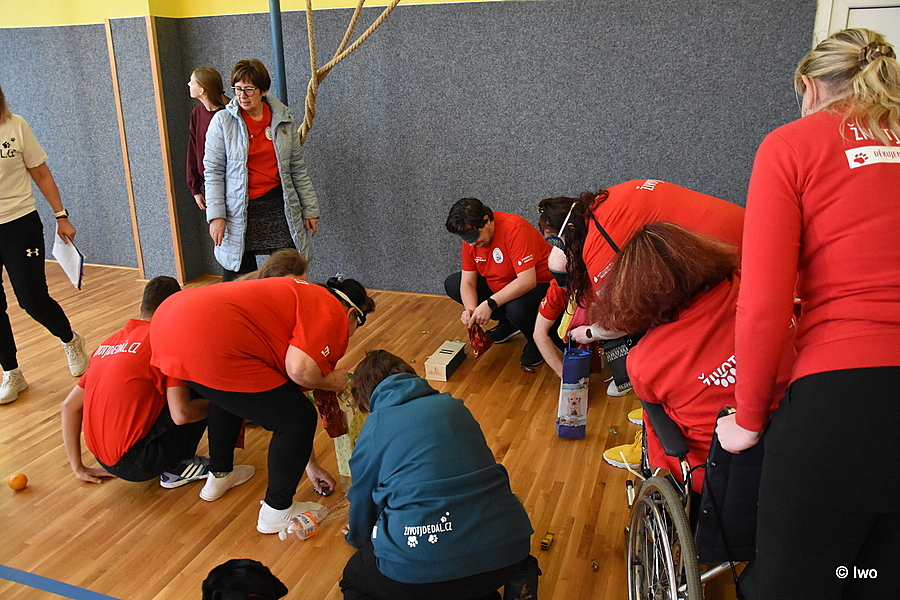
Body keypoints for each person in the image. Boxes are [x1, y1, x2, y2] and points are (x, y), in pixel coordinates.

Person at [716, 28, 900, 599]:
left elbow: (763, 303)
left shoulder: (792, 144)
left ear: (808, 85)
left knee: (793, 585)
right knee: (876, 581)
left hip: (844, 400)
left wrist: (748, 420)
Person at [149, 275, 375, 534]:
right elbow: (300, 370)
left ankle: (220, 474)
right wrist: (330, 381)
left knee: (231, 392)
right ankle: (277, 510)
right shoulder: (330, 309)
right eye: (359, 323)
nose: (354, 331)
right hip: (204, 338)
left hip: (168, 324)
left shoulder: (300, 298)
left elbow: (286, 389)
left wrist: (309, 464)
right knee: (298, 418)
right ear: (351, 313)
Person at [590, 224, 791, 489]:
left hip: (721, 477)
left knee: (657, 410)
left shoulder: (644, 361)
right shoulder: (751, 287)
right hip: (800, 445)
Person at [340, 350, 534, 600]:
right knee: (467, 579)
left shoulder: (376, 425)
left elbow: (363, 498)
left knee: (353, 579)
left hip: (420, 567)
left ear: (367, 399)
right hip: (509, 551)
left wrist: (358, 537)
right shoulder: (455, 406)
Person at [533, 182, 745, 393]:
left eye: (557, 243)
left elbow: (622, 320)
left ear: (571, 230)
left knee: (648, 360)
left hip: (727, 258)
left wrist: (589, 333)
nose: (559, 249)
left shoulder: (598, 248)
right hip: (738, 230)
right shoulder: (610, 196)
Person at [59, 277, 236, 489]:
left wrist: (78, 467)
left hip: (102, 457)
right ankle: (178, 468)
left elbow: (68, 406)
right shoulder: (165, 342)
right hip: (140, 463)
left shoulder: (108, 344)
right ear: (175, 310)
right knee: (207, 387)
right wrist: (226, 405)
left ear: (140, 308)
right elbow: (182, 414)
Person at [0, 84, 87, 405]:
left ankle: (70, 339)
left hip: (19, 222)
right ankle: (11, 371)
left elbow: (41, 173)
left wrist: (61, 216)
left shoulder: (15, 126)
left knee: (31, 299)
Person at [204, 59, 320, 281]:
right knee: (238, 283)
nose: (242, 96)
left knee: (288, 275)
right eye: (238, 89)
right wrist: (216, 216)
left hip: (279, 207)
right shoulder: (222, 122)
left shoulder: (283, 119)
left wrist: (310, 209)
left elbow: (297, 169)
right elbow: (213, 172)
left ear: (263, 90)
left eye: (249, 89)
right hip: (238, 211)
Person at [444, 197, 553, 367]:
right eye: (466, 238)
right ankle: (510, 323)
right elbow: (467, 283)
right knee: (452, 283)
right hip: (503, 285)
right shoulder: (471, 242)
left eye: (473, 236)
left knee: (516, 308)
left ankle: (536, 341)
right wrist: (471, 310)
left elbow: (527, 281)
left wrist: (489, 304)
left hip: (541, 284)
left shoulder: (515, 228)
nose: (472, 243)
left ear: (486, 220)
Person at [186, 67, 229, 210]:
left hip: (232, 183)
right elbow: (193, 150)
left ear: (202, 90)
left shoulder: (228, 113)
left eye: (192, 82)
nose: (188, 84)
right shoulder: (197, 113)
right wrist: (195, 188)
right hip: (210, 184)